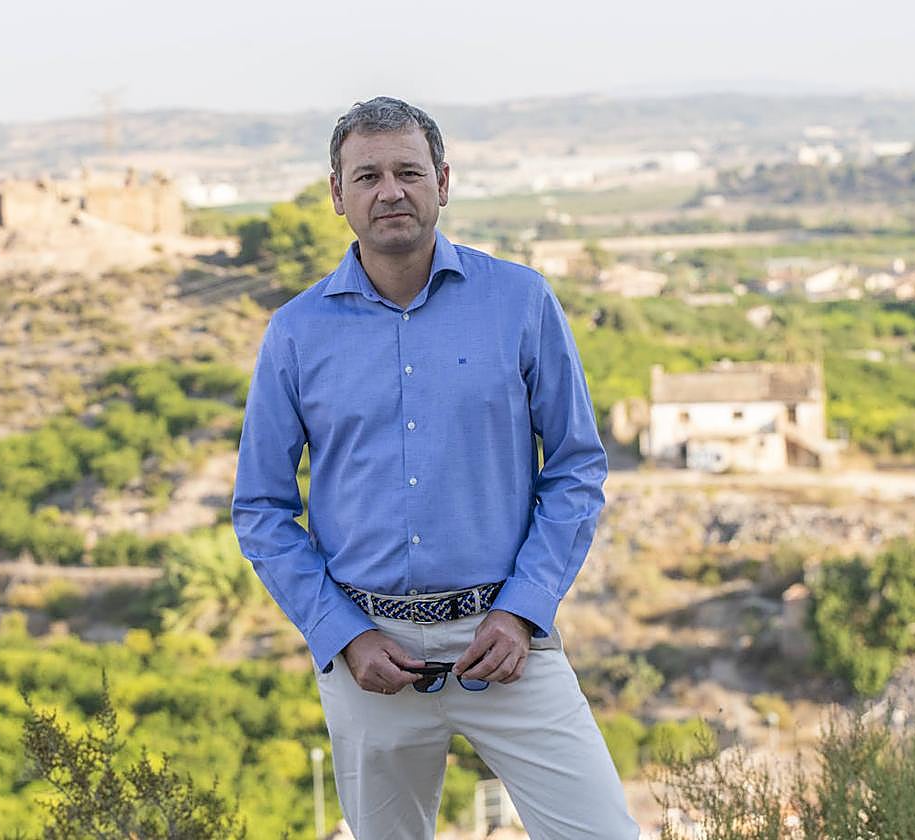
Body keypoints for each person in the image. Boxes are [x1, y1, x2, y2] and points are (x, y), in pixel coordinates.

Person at [232, 96, 638, 839]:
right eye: (368, 175)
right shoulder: (295, 334)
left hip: (508, 642)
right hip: (368, 657)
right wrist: (342, 635)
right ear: (337, 195)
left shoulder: (520, 301)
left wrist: (522, 612)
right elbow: (259, 510)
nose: (391, 190)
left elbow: (576, 468)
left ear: (443, 182)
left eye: (409, 171)